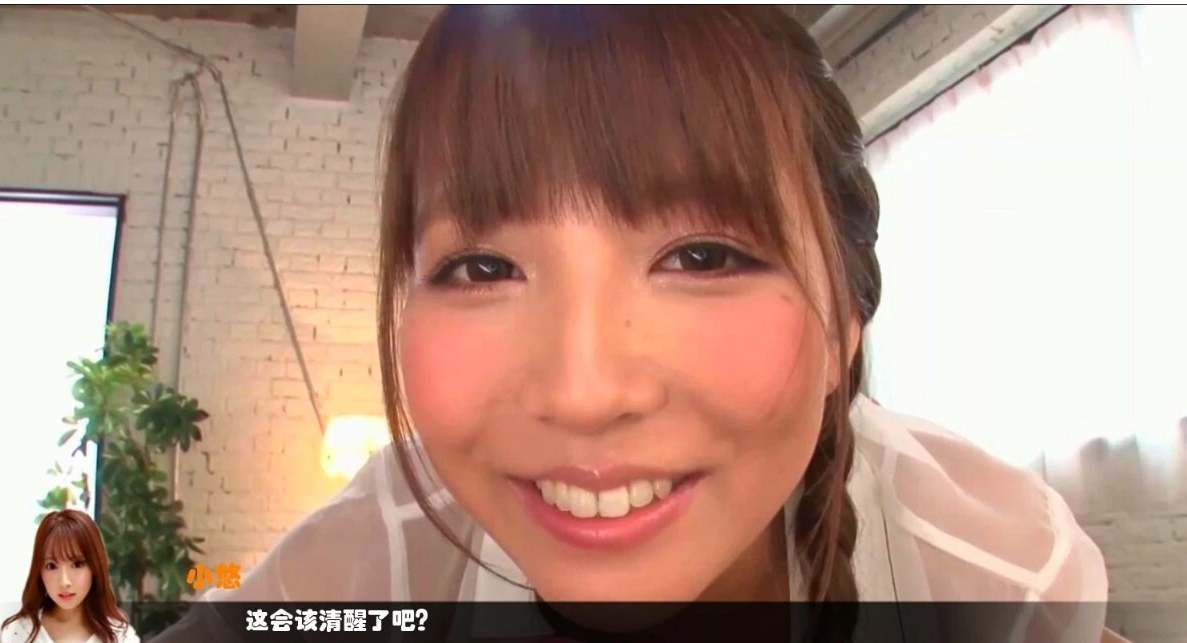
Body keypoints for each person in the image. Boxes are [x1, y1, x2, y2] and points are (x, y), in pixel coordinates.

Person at [159, 6, 1109, 642]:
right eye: (483, 267)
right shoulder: (385, 555)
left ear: (845, 324)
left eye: (702, 258)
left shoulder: (985, 573)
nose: (584, 392)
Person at [1, 510, 138, 643]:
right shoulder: (17, 633)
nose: (64, 582)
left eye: (77, 564)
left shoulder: (120, 636)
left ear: (95, 567)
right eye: (51, 566)